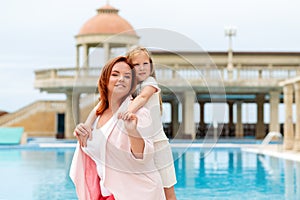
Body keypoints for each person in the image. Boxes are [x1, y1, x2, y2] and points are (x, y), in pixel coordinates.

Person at [75, 46, 177, 200]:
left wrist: (126, 112)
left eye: (145, 64)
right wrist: (87, 125)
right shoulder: (125, 92)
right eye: (136, 65)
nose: (141, 68)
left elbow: (142, 98)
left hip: (158, 142)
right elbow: (98, 106)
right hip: (125, 179)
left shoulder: (149, 83)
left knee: (168, 188)